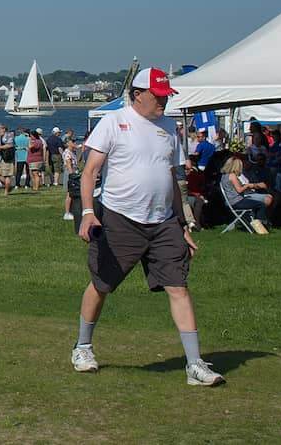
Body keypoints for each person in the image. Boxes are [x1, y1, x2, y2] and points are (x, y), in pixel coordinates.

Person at [73, 67, 224, 386]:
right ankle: (83, 347)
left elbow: (172, 177)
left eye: (167, 97)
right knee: (101, 284)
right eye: (159, 97)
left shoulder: (169, 127)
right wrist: (88, 212)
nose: (164, 103)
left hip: (163, 222)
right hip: (119, 219)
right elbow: (90, 173)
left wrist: (182, 222)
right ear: (137, 94)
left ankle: (195, 364)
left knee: (178, 286)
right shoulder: (113, 122)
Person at [219, 157, 271, 231]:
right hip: (236, 201)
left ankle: (254, 223)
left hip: (230, 201)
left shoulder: (224, 176)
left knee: (256, 204)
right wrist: (247, 185)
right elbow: (239, 190)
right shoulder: (232, 175)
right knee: (261, 204)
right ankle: (261, 224)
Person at [0, 124, 15, 195]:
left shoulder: (9, 135)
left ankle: (6, 192)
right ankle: (9, 186)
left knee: (6, 175)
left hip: (6, 158)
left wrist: (0, 147)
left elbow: (10, 145)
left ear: (4, 129)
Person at [62, 136, 79, 220]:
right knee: (70, 193)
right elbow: (69, 165)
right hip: (70, 173)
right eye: (73, 141)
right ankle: (67, 213)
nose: (75, 143)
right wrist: (72, 176)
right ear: (68, 143)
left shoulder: (73, 152)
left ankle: (72, 211)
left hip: (75, 172)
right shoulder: (67, 152)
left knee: (73, 193)